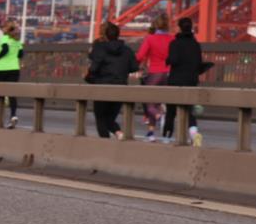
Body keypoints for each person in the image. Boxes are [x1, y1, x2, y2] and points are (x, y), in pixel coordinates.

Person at [86, 22, 138, 140]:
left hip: (102, 86)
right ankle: (118, 132)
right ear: (118, 35)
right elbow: (134, 67)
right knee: (110, 118)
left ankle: (106, 143)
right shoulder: (127, 50)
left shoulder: (99, 48)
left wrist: (90, 76)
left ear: (106, 35)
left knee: (100, 117)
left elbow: (93, 68)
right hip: (120, 86)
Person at [162, 17, 205, 146]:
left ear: (180, 28)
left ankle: (167, 137)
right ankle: (194, 135)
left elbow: (173, 60)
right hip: (191, 80)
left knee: (171, 111)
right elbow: (199, 63)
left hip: (176, 80)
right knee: (189, 111)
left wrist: (168, 60)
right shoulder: (195, 44)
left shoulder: (175, 43)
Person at [135, 14, 172, 142]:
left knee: (149, 101)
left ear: (155, 25)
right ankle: (151, 133)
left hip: (155, 73)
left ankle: (158, 116)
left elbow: (140, 56)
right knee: (157, 102)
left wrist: (132, 64)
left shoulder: (150, 38)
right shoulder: (172, 38)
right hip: (169, 73)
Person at [0, 22, 24, 128]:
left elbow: (6, 49)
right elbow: (21, 54)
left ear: (7, 30)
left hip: (2, 69)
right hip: (15, 69)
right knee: (12, 93)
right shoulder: (17, 41)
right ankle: (13, 115)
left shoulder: (4, 38)